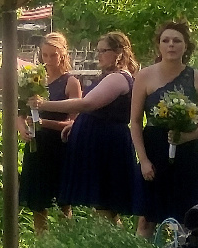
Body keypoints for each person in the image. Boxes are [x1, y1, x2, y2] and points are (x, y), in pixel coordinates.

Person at [41, 31, 141, 221]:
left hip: (107, 144)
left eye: (104, 51)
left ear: (119, 52)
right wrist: (77, 124)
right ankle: (105, 245)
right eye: (98, 50)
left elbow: (87, 104)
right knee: (100, 207)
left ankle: (110, 247)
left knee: (105, 205)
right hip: (99, 140)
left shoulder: (118, 77)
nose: (99, 55)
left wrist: (44, 104)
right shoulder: (109, 76)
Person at [130, 20, 198, 236]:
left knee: (193, 215)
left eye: (177, 41)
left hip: (189, 152)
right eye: (166, 40)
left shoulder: (197, 78)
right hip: (154, 150)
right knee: (147, 218)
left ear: (186, 46)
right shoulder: (144, 76)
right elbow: (134, 122)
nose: (171, 45)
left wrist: (188, 136)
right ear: (158, 45)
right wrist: (144, 161)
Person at [18, 32, 82, 235]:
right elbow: (19, 113)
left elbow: (74, 122)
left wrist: (44, 122)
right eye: (44, 55)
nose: (48, 60)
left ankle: (66, 247)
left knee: (63, 204)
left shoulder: (70, 82)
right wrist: (22, 129)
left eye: (53, 55)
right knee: (38, 204)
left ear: (62, 55)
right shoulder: (32, 80)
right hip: (37, 146)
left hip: (60, 147)